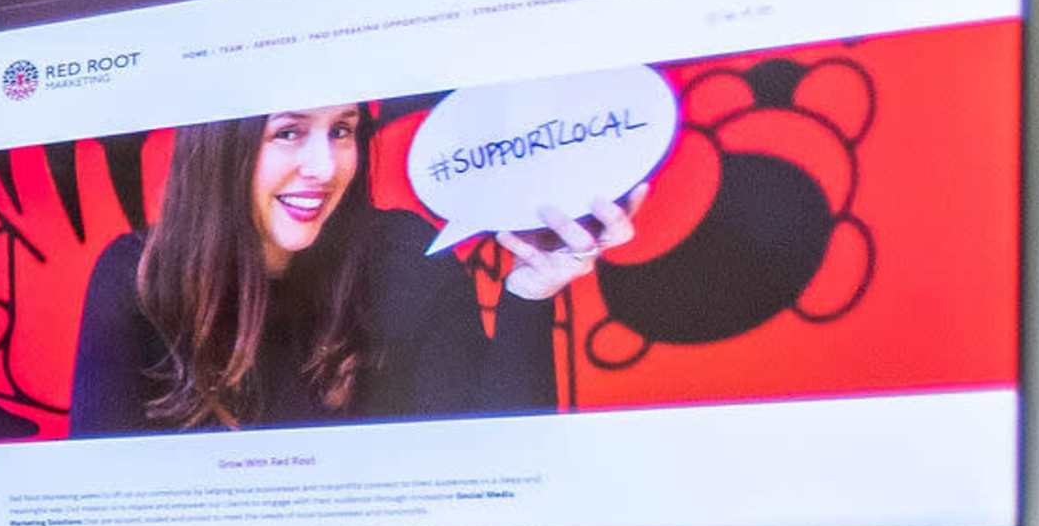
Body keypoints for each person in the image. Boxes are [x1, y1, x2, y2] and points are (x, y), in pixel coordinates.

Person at [68, 103, 628, 436]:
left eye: (342, 129)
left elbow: (495, 460)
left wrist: (529, 294)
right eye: (288, 133)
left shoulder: (405, 255)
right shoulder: (137, 277)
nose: (325, 166)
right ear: (221, 150)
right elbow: (95, 495)